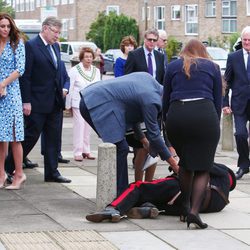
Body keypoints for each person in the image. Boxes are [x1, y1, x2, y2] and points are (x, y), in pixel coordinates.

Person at [79, 72, 179, 195]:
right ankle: (121, 194)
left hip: (92, 97)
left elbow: (133, 116)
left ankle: (120, 192)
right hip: (95, 103)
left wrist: (144, 141)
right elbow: (155, 135)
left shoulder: (150, 82)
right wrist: (174, 165)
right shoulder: (152, 100)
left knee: (120, 148)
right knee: (120, 149)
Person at [163, 39, 222, 229]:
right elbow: (217, 101)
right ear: (203, 51)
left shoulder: (172, 66)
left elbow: (165, 100)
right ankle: (194, 212)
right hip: (204, 114)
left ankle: (184, 206)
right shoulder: (212, 67)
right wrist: (214, 121)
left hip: (177, 116)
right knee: (203, 167)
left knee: (186, 164)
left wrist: (167, 123)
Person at [5, 16, 71, 183]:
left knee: (53, 138)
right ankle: (7, 167)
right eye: (55, 32)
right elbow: (26, 76)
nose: (57, 36)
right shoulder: (32, 46)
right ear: (45, 29)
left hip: (55, 101)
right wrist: (26, 102)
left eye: (59, 32)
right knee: (30, 137)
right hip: (37, 102)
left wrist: (63, 89)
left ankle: (52, 172)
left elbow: (58, 71)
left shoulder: (55, 47)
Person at [85, 162, 236, 223]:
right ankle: (148, 209)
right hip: (186, 208)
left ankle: (112, 209)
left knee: (139, 187)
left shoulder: (223, 172)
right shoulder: (222, 203)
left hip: (180, 189)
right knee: (158, 201)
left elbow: (200, 162)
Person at [0, 13, 26, 189]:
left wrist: (3, 84)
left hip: (12, 93)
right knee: (1, 137)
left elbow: (20, 69)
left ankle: (19, 174)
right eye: (2, 26)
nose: (5, 29)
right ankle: (1, 174)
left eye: (8, 26)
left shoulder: (17, 43)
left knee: (15, 136)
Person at [223, 26, 250, 180]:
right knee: (240, 134)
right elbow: (226, 81)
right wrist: (225, 103)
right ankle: (244, 165)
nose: (247, 43)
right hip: (239, 102)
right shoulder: (233, 57)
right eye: (245, 40)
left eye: (249, 40)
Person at [66, 47, 100, 162]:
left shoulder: (96, 71)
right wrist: (68, 104)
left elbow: (98, 87)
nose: (89, 59)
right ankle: (78, 152)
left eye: (90, 57)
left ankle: (86, 150)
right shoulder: (75, 70)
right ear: (81, 58)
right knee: (79, 127)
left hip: (91, 103)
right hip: (77, 102)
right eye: (86, 57)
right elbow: (69, 87)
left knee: (87, 128)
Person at [41, 60, 70, 164]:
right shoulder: (45, 62)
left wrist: (65, 89)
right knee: (44, 131)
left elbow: (67, 78)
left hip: (59, 102)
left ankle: (57, 154)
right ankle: (45, 152)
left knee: (57, 130)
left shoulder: (61, 63)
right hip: (45, 101)